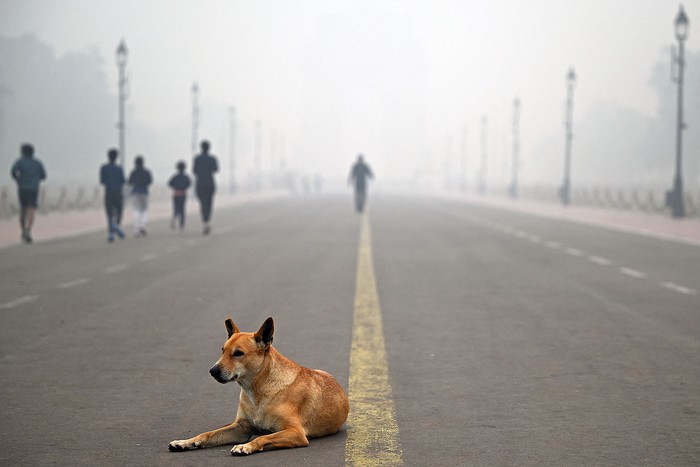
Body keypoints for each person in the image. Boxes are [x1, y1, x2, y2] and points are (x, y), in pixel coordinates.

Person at [10, 144, 46, 243]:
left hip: (22, 188)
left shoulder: (19, 162)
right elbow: (43, 175)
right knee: (31, 209)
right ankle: (28, 229)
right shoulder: (37, 163)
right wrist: (35, 178)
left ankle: (22, 230)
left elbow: (13, 172)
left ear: (22, 152)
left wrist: (18, 179)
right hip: (33, 188)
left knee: (23, 209)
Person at [192, 140, 218, 235]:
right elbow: (216, 169)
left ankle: (204, 221)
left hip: (200, 183)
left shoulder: (197, 159)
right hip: (210, 183)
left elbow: (194, 171)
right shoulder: (212, 159)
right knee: (209, 203)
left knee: (202, 203)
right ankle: (208, 221)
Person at [100, 149, 126, 243]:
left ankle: (110, 233)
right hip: (118, 192)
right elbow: (123, 181)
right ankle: (116, 225)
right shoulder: (119, 168)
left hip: (108, 192)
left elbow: (102, 181)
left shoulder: (104, 168)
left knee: (109, 213)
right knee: (119, 211)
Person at [128, 155, 153, 237]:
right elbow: (150, 181)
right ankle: (142, 225)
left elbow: (129, 182)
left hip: (135, 192)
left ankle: (136, 229)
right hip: (144, 192)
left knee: (136, 210)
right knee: (144, 210)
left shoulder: (133, 172)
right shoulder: (147, 172)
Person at [168, 160, 191, 231]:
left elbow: (169, 183)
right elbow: (189, 184)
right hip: (183, 193)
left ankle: (174, 218)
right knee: (182, 210)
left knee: (176, 208)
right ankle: (182, 225)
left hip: (176, 193)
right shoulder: (186, 177)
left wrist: (175, 187)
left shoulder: (175, 176)